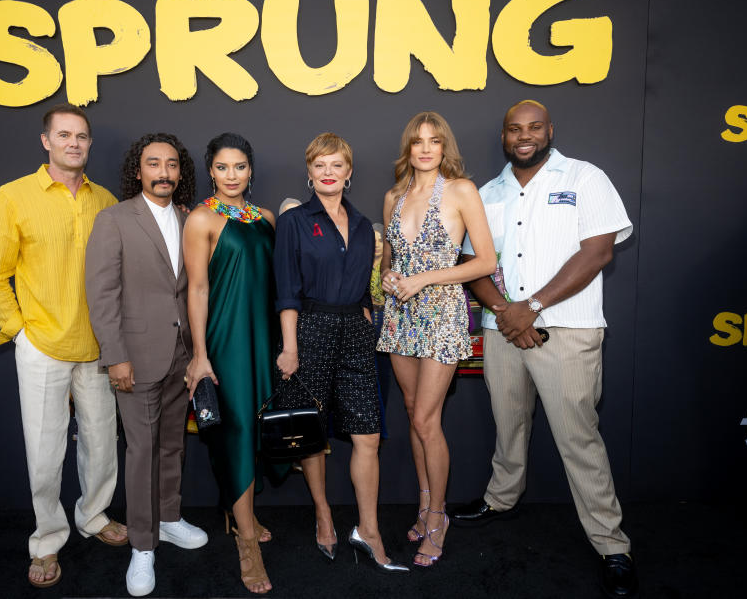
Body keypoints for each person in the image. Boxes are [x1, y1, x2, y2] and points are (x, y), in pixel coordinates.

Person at [453, 100, 638, 597]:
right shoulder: (487, 193)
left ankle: (611, 545)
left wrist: (529, 307)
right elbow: (473, 263)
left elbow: (597, 251)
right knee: (508, 423)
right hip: (502, 331)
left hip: (567, 331)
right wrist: (511, 315)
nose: (524, 136)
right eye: (515, 129)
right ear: (504, 136)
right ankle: (501, 499)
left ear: (550, 130)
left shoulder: (584, 179)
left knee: (578, 437)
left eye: (534, 127)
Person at [0, 104, 127, 589]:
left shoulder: (105, 200)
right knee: (44, 454)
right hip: (41, 342)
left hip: (99, 346)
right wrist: (20, 331)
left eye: (81, 136)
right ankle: (46, 539)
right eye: (64, 135)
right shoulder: (12, 196)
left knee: (103, 445)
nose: (74, 143)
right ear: (46, 141)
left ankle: (94, 516)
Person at [273, 133, 408, 573]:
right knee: (312, 432)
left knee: (367, 433)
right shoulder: (294, 221)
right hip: (309, 328)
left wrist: (367, 314)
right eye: (319, 165)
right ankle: (324, 513)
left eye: (336, 165)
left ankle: (368, 529)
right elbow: (286, 291)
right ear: (309, 172)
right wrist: (289, 347)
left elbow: (365, 286)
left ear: (349, 173)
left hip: (356, 331)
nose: (328, 173)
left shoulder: (367, 223)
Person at [85, 133, 208, 597]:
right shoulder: (114, 219)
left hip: (181, 355)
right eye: (154, 164)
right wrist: (115, 356)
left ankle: (170, 517)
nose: (164, 172)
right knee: (141, 451)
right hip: (134, 358)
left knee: (173, 443)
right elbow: (102, 295)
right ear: (139, 171)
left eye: (172, 164)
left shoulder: (188, 217)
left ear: (181, 173)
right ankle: (142, 544)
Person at [375, 111, 496, 567]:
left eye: (434, 140)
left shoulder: (461, 190)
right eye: (417, 141)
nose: (425, 148)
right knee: (410, 411)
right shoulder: (393, 196)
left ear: (445, 147)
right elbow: (389, 256)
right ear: (408, 148)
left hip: (443, 312)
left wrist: (424, 278)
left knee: (427, 419)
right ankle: (425, 503)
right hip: (401, 314)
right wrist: (389, 275)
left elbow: (484, 261)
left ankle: (439, 516)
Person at [183, 133, 285, 594]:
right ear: (210, 171)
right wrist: (200, 355)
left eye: (239, 167)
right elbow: (198, 289)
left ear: (250, 170)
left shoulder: (264, 218)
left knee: (259, 425)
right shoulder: (201, 219)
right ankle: (247, 541)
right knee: (240, 428)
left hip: (262, 337)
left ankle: (238, 508)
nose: (231, 176)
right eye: (222, 167)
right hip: (226, 339)